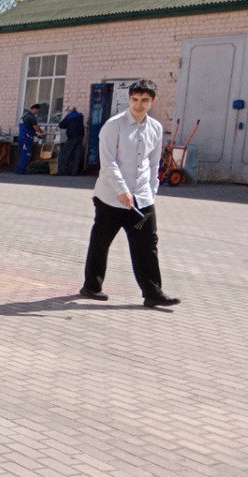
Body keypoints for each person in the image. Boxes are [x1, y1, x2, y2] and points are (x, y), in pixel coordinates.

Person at [80, 79, 180, 308]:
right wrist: (122, 191)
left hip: (142, 200)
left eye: (144, 100)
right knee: (101, 242)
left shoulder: (155, 128)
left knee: (147, 244)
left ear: (152, 101)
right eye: (135, 99)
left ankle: (153, 292)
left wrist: (151, 192)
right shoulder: (113, 126)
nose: (139, 104)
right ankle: (91, 286)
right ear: (130, 99)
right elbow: (108, 163)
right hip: (110, 199)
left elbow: (153, 164)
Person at [16, 103, 45, 175]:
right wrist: (42, 132)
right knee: (26, 154)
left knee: (22, 154)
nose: (37, 113)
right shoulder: (31, 117)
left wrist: (36, 135)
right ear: (35, 109)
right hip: (27, 139)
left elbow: (29, 128)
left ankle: (20, 169)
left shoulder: (24, 116)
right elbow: (36, 128)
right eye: (37, 111)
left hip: (22, 137)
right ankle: (22, 170)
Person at [57, 105, 85, 176]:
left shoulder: (69, 116)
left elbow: (61, 125)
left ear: (70, 110)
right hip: (80, 137)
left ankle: (62, 171)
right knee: (77, 154)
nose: (68, 112)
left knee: (63, 153)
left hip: (72, 137)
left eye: (68, 111)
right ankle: (75, 172)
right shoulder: (80, 116)